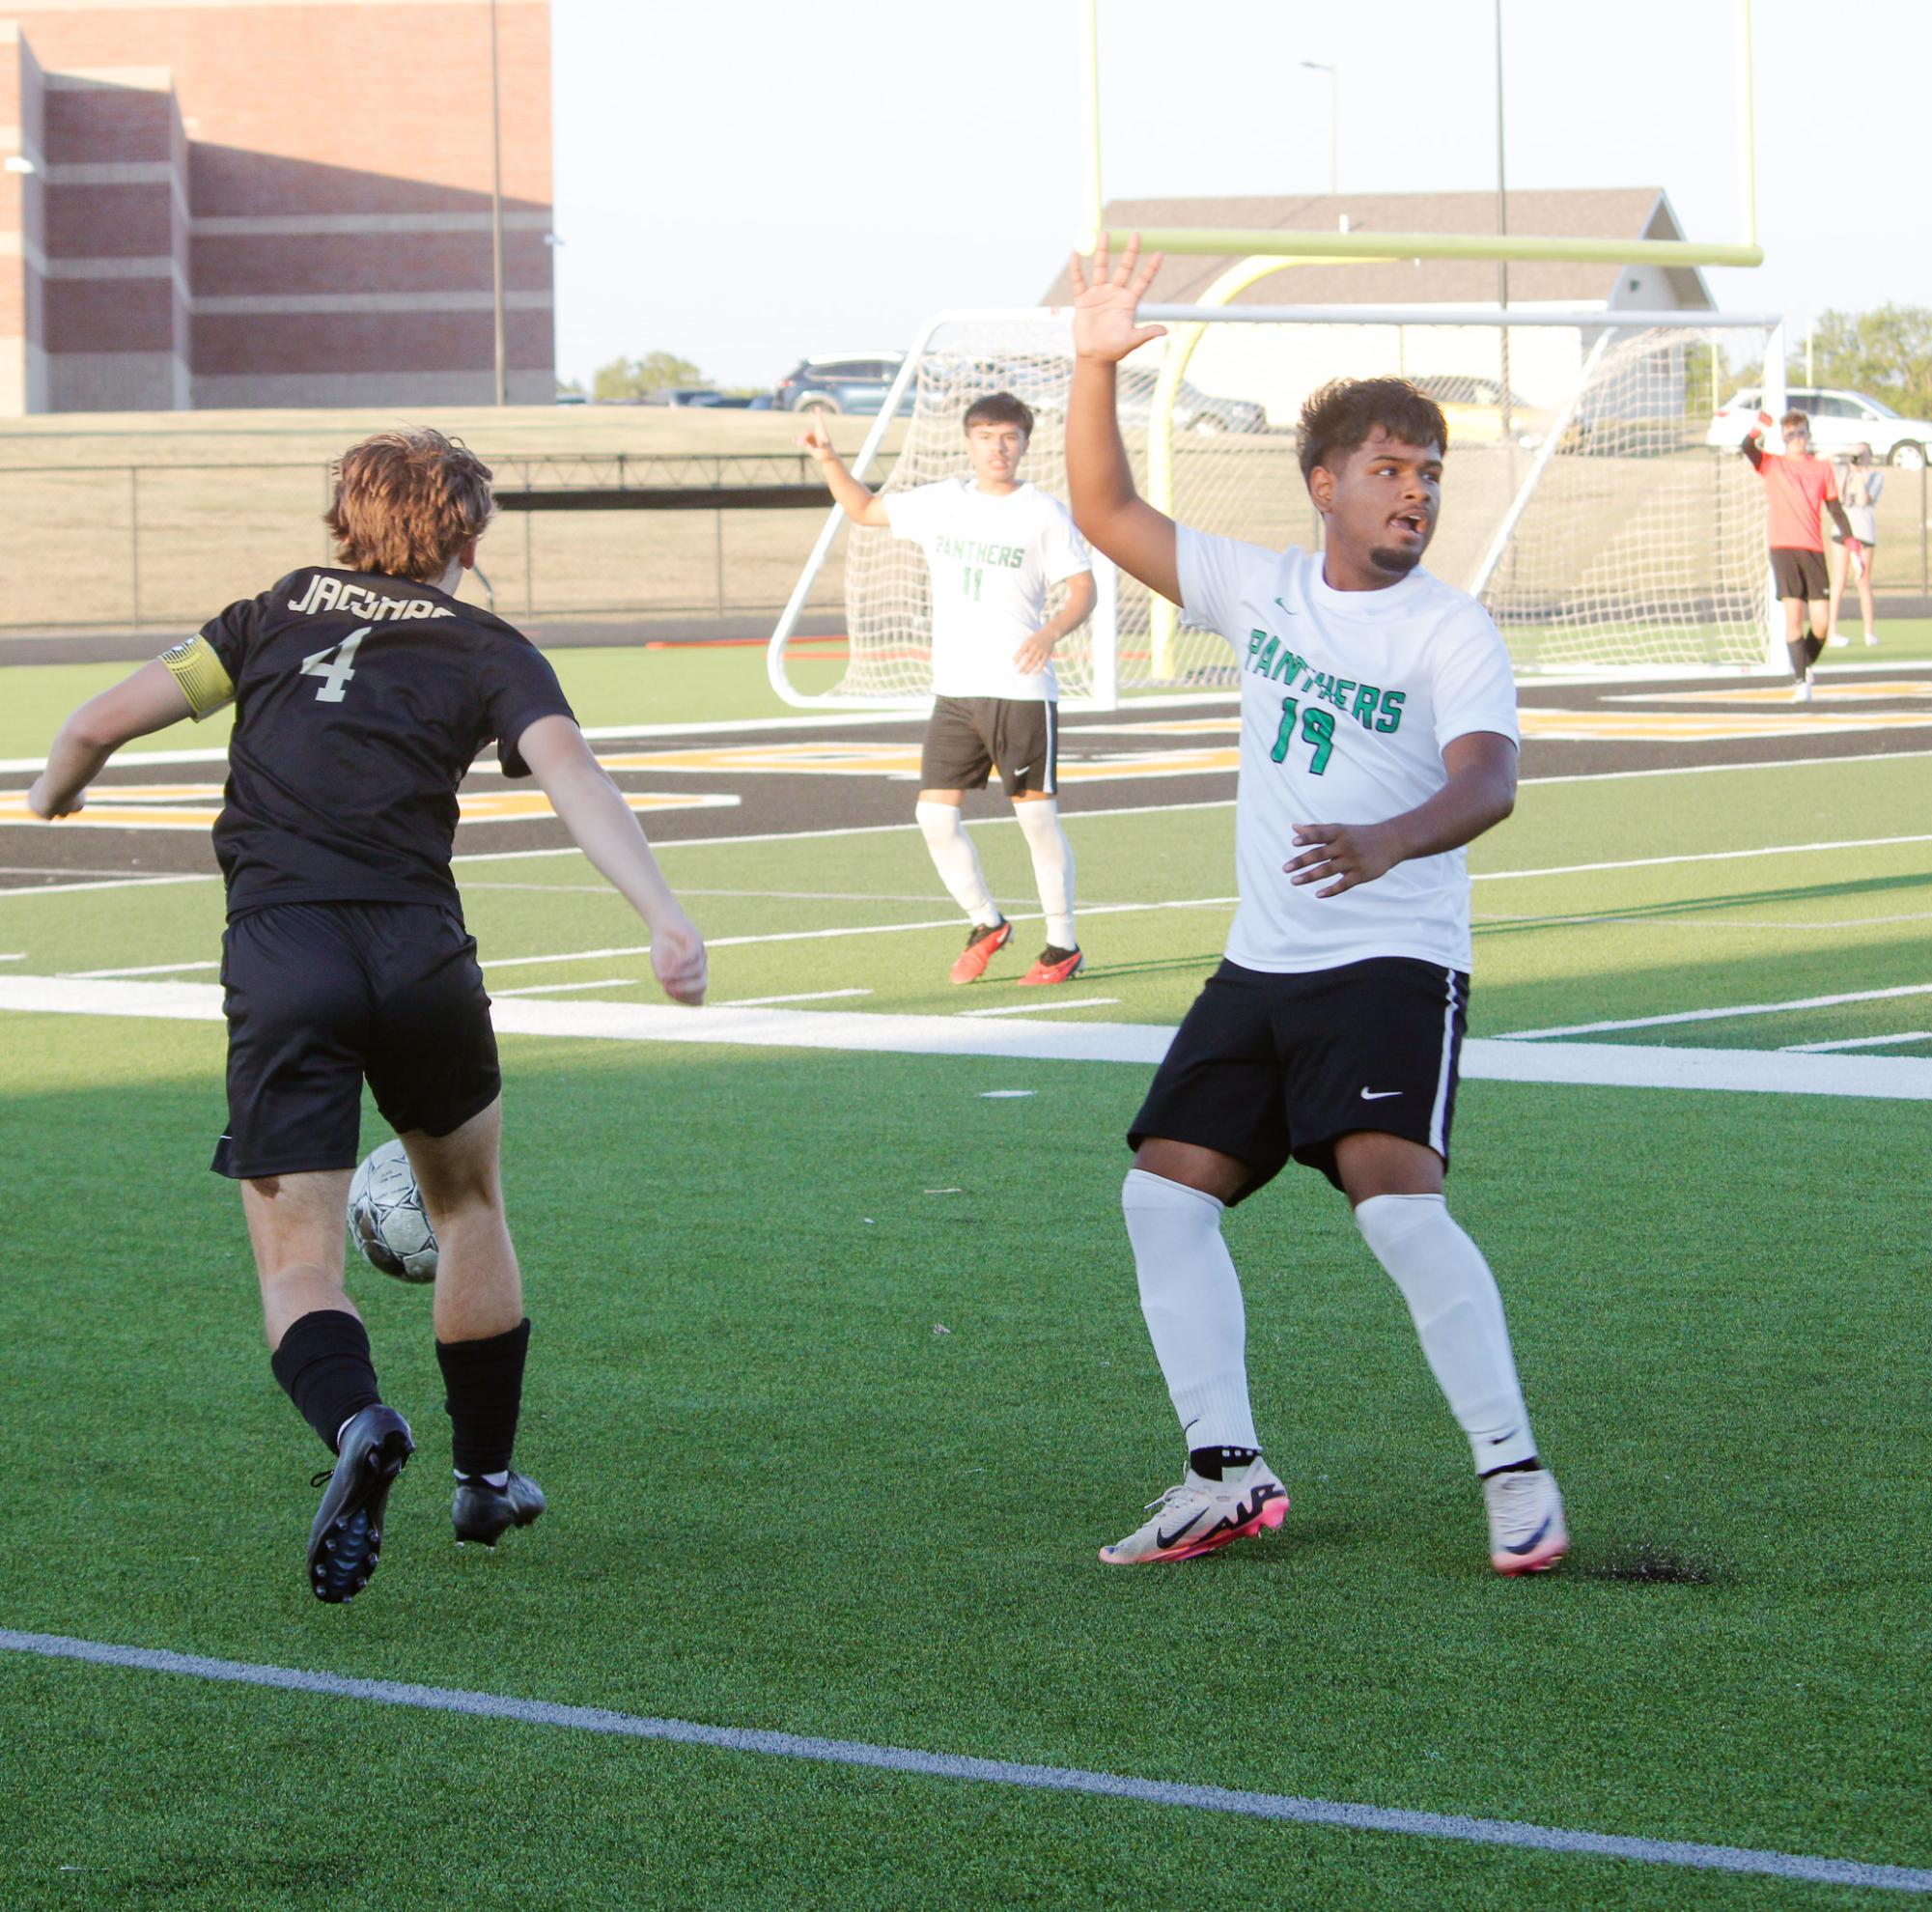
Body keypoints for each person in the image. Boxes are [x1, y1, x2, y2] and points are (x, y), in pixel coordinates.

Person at [27, 429, 707, 1604]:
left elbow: (93, 724)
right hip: (420, 954)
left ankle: (356, 1423)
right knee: (470, 1201)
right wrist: (662, 913)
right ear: (470, 537)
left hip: (287, 957)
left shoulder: (272, 614)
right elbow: (574, 778)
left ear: (343, 520)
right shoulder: (489, 647)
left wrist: (55, 793)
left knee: (300, 1262)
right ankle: (485, 1477)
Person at [1064, 235, 1565, 1577]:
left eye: (1430, 476)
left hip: (1393, 959)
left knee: (1397, 1209)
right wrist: (1094, 363)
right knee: (1162, 1201)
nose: (1415, 494)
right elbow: (1106, 514)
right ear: (1323, 484)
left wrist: (1386, 841)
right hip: (1261, 967)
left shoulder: (1448, 628)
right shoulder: (1263, 588)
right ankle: (1222, 1470)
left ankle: (1514, 1472)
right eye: (1391, 472)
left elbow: (1492, 779)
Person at [803, 395, 1097, 986]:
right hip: (956, 692)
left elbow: (1083, 588)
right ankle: (987, 923)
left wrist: (1051, 630)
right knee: (933, 817)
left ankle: (1061, 944)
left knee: (1036, 821)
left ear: (1024, 443)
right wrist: (828, 458)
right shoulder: (941, 502)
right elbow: (863, 510)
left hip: (1020, 689)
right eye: (987, 435)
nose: (998, 447)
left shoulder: (1042, 511)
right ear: (969, 442)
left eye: (1009, 436)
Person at [1741, 409, 1856, 702]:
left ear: (1808, 435)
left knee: (1821, 625)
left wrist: (1851, 540)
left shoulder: (1822, 468)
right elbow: (1747, 447)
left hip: (1813, 549)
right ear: (1783, 437)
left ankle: (1803, 664)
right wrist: (1756, 429)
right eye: (1791, 434)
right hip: (1783, 548)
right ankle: (1801, 681)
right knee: (1794, 614)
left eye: (1801, 433)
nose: (1797, 439)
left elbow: (1835, 508)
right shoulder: (1773, 464)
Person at [1826, 443, 1883, 648]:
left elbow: (1863, 501)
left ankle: (1869, 632)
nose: (1859, 458)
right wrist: (1848, 464)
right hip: (1842, 532)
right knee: (1838, 581)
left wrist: (1860, 477)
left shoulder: (1875, 476)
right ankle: (1832, 630)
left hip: (1864, 532)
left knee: (1863, 582)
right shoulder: (1842, 472)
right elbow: (1839, 499)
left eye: (1863, 454)